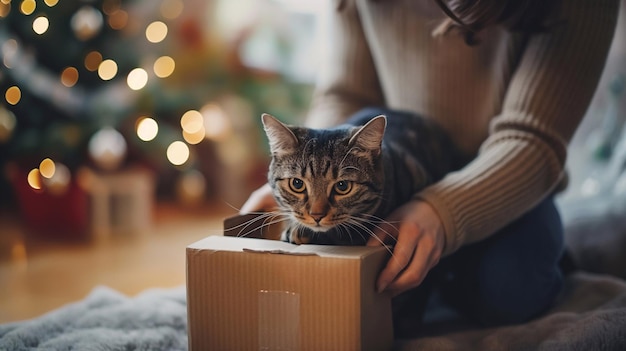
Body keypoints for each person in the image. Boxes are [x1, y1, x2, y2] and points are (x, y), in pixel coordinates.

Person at [241, 0, 620, 330]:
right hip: (388, 162)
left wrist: (440, 212)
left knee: (512, 288)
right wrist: (299, 171)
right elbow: (347, 94)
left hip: (509, 178)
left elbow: (532, 139)